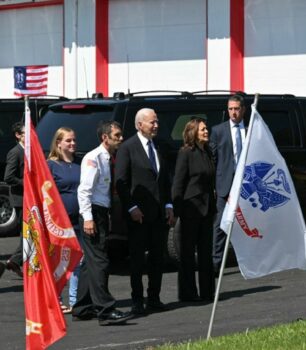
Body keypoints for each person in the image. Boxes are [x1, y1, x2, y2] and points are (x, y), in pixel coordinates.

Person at [72, 121, 132, 326]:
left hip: (101, 211)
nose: (121, 139)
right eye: (116, 135)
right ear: (104, 138)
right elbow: (84, 191)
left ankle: (82, 307)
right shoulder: (94, 158)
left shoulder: (108, 158)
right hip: (93, 213)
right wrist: (88, 218)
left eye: (121, 135)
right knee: (100, 261)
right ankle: (105, 309)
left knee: (91, 262)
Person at [116, 108, 175, 315]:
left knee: (157, 258)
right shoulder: (127, 148)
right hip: (138, 215)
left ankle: (154, 298)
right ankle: (137, 300)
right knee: (138, 260)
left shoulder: (159, 146)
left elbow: (165, 180)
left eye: (157, 122)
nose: (156, 125)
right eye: (152, 122)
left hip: (158, 213)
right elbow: (121, 182)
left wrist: (169, 205)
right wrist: (131, 207)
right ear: (139, 124)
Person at [172, 118, 216, 302]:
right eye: (203, 129)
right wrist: (177, 209)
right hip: (190, 209)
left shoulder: (208, 151)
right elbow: (178, 183)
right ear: (194, 132)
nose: (207, 132)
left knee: (206, 253)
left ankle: (207, 292)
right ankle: (188, 293)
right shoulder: (186, 153)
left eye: (207, 129)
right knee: (188, 254)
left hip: (207, 209)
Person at [210, 94, 246, 274]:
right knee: (220, 225)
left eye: (236, 109)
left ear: (243, 110)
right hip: (224, 186)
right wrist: (215, 186)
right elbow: (213, 160)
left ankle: (247, 261)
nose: (233, 112)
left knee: (248, 223)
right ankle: (215, 264)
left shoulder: (252, 129)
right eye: (230, 109)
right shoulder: (218, 131)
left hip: (247, 186)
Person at [47, 127, 82, 314]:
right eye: (68, 140)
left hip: (79, 220)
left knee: (79, 260)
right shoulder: (51, 165)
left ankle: (75, 300)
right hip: (60, 223)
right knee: (60, 262)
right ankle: (57, 297)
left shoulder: (80, 163)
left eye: (74, 140)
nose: (73, 143)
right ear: (58, 143)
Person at [0, 122, 25, 279]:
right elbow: (8, 177)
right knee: (28, 233)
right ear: (18, 135)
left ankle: (15, 261)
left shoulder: (30, 151)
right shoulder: (15, 152)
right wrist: (26, 182)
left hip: (31, 198)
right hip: (21, 199)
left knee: (28, 233)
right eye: (25, 132)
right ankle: (14, 260)